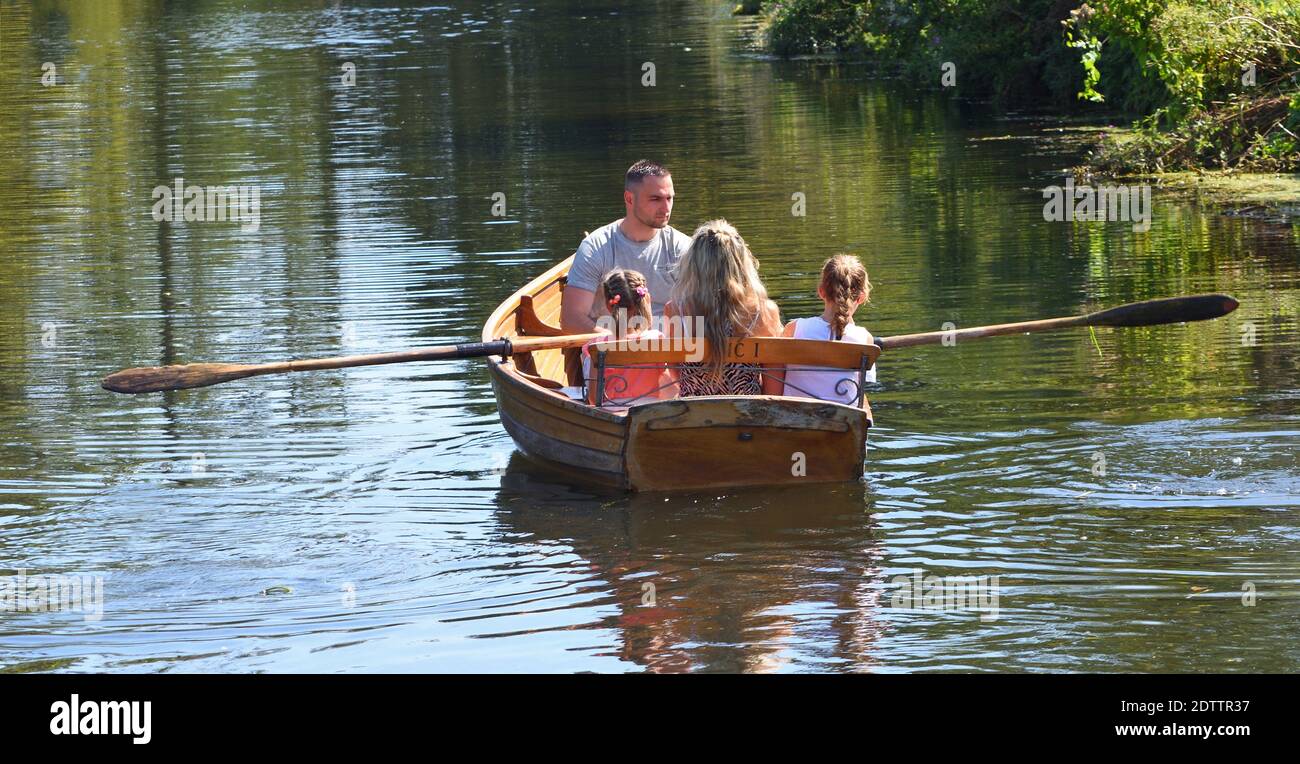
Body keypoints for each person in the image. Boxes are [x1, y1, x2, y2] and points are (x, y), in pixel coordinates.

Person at [561, 160, 692, 333]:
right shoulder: (596, 247)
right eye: (656, 199)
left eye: (669, 198)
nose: (666, 207)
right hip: (612, 353)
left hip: (669, 352)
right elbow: (571, 319)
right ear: (629, 199)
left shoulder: (683, 248)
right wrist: (624, 344)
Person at [664, 220, 783, 396]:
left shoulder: (676, 310)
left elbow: (676, 372)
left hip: (693, 416)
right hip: (748, 414)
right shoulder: (764, 312)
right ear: (741, 263)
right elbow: (775, 384)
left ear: (694, 263)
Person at [770, 254, 876, 405]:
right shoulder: (864, 338)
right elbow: (859, 390)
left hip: (796, 418)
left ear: (821, 292)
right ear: (861, 297)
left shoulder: (795, 329)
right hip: (843, 422)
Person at [581, 269, 669, 405]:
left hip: (611, 413)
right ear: (646, 300)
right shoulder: (658, 339)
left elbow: (594, 399)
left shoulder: (597, 345)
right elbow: (668, 382)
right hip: (652, 411)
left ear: (608, 306)